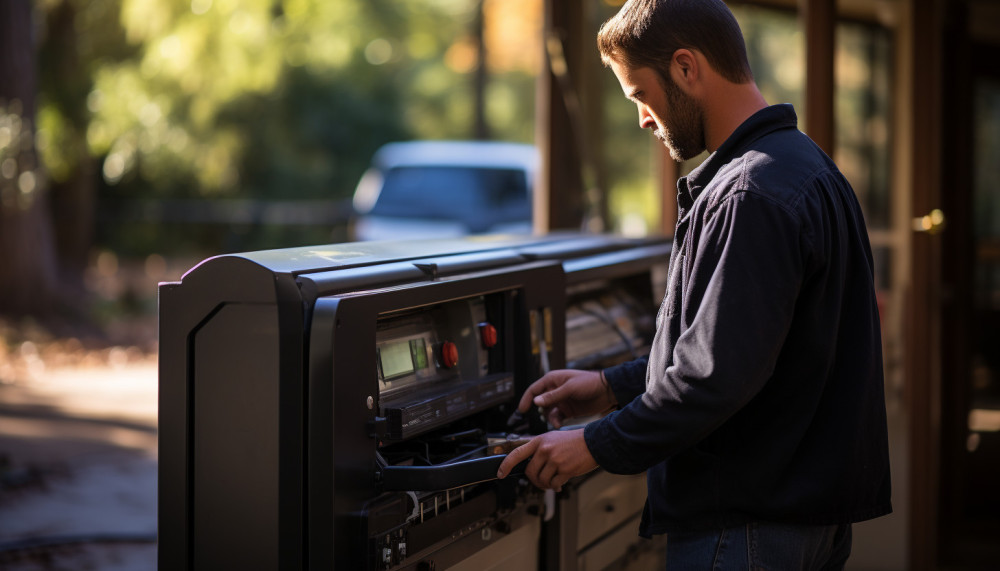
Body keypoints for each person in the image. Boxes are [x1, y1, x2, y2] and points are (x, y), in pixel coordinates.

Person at [497, 0, 892, 567]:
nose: (641, 118)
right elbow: (750, 349)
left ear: (686, 68)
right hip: (805, 521)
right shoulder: (806, 169)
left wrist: (592, 444)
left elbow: (714, 379)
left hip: (746, 529)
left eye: (639, 94)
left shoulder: (749, 195)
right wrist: (611, 386)